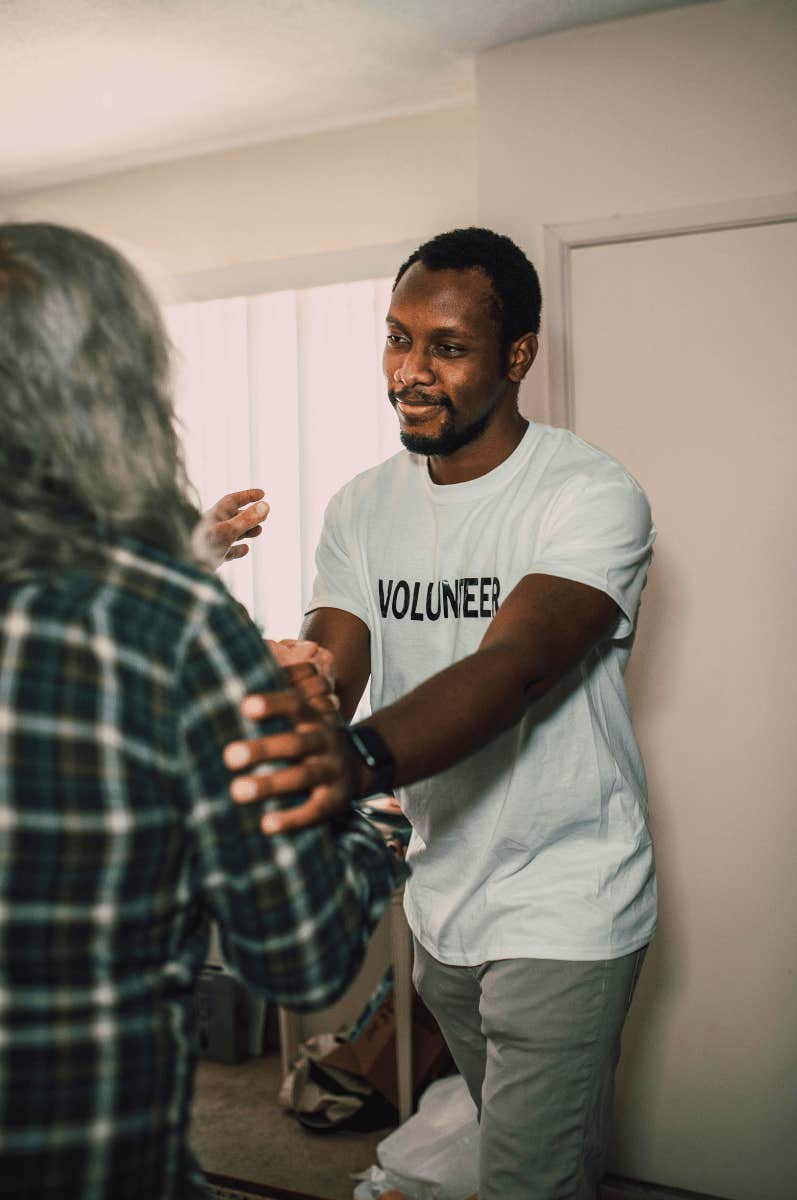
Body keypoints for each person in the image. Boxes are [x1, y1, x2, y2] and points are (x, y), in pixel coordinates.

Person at [222, 227, 657, 1199]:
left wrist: (357, 758)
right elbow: (336, 656)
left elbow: (517, 665)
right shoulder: (363, 505)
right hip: (445, 886)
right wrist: (303, 694)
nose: (410, 373)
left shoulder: (587, 494)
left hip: (567, 894)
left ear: (516, 356)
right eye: (395, 339)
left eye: (446, 348)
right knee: (491, 1134)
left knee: (529, 1180)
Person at [0, 222, 403, 1200]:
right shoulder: (174, 627)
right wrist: (367, 817)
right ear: (122, 391)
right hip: (87, 1153)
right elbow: (297, 952)